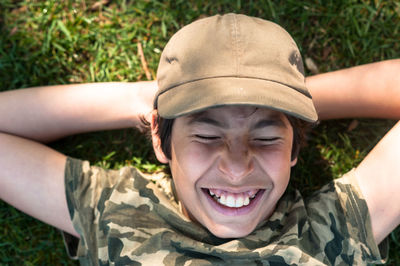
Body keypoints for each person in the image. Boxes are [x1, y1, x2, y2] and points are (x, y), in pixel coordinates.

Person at [0, 13, 399, 265]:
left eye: (267, 137)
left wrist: (295, 103)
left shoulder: (334, 228)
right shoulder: (117, 208)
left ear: (295, 147)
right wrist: (146, 100)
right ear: (160, 138)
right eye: (207, 134)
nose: (237, 166)